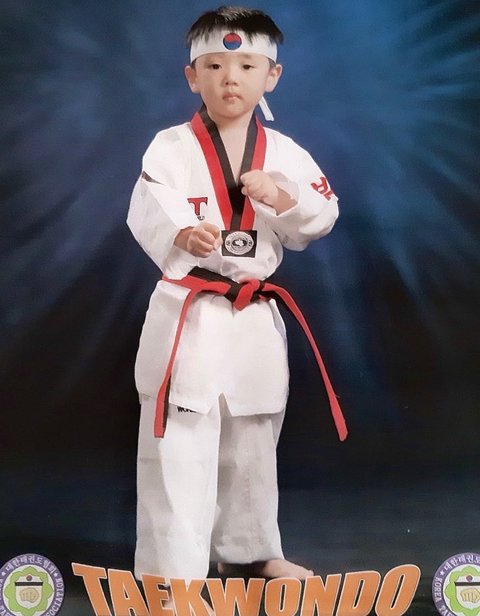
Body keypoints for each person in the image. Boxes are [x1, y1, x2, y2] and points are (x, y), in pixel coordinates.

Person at [127, 5, 347, 585]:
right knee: (180, 433)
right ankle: (172, 572)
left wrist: (282, 198)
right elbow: (150, 201)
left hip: (252, 310)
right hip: (191, 310)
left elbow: (321, 215)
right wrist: (181, 232)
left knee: (254, 430)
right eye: (215, 65)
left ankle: (249, 551)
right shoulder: (170, 147)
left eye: (248, 65)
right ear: (191, 76)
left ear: (271, 76)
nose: (231, 77)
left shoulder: (286, 153)